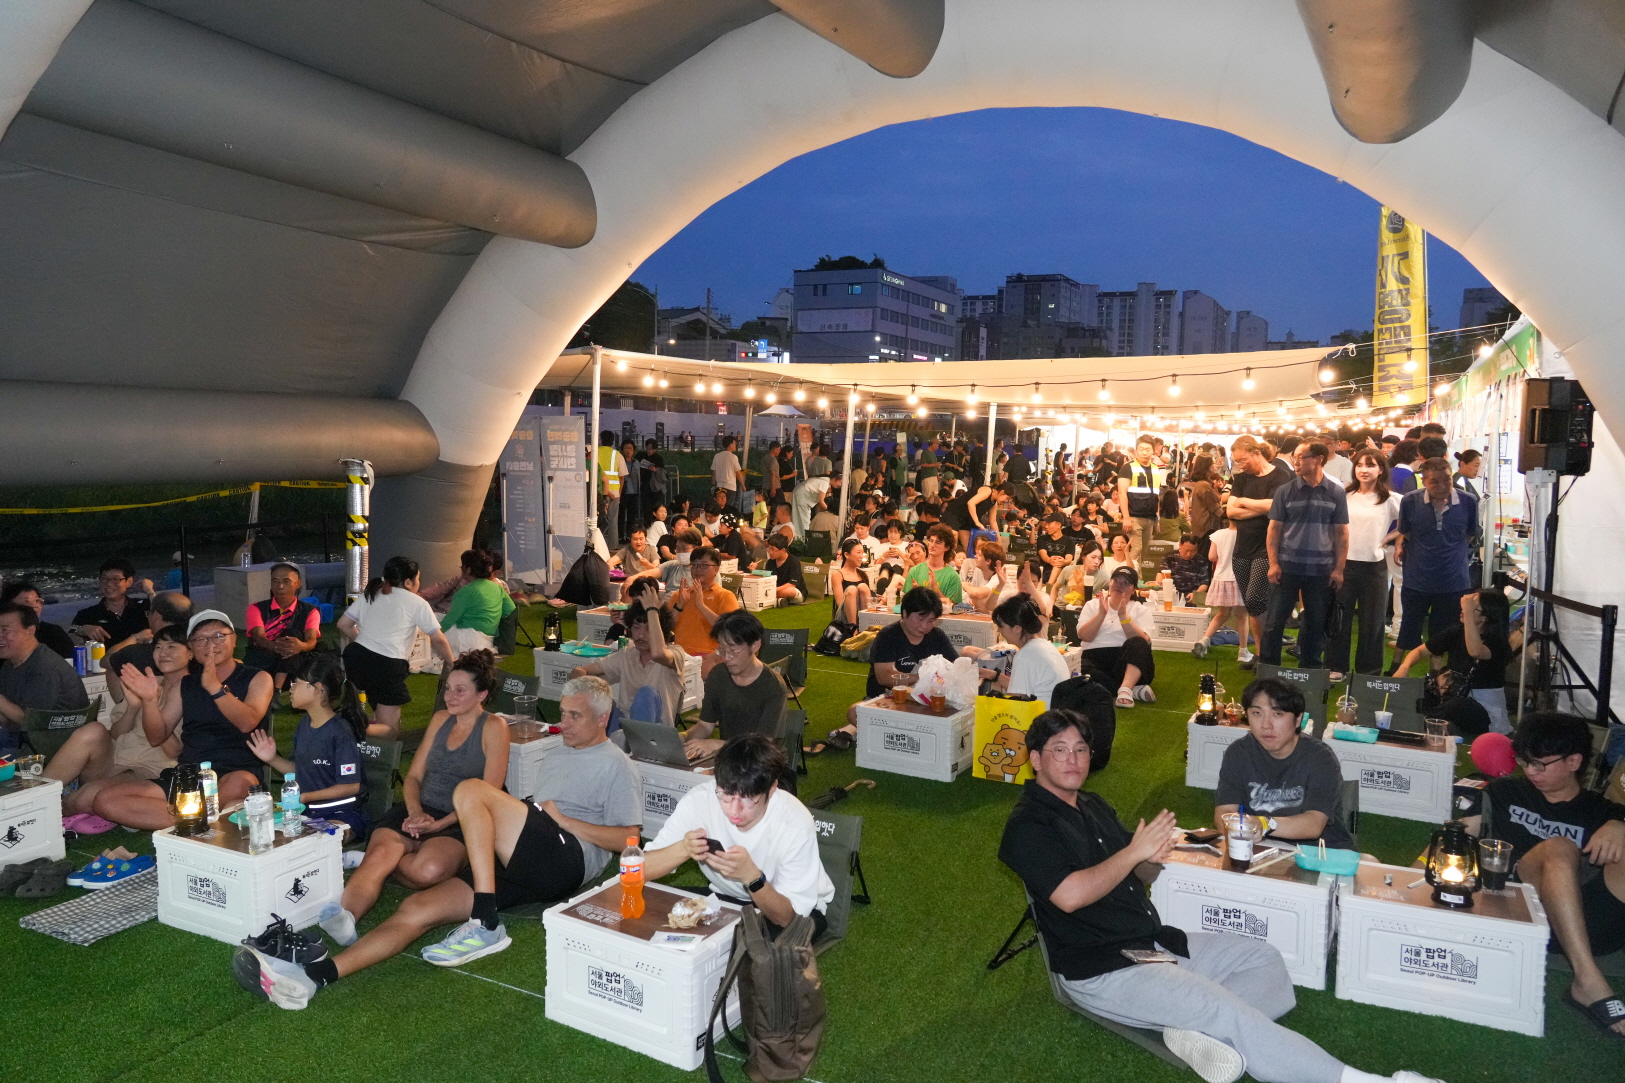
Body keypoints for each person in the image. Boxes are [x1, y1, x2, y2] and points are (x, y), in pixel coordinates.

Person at [1000, 709, 1442, 1083]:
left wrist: (1150, 857)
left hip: (1151, 942)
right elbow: (1070, 895)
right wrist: (1133, 851)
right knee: (1225, 1007)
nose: (1073, 759)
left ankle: (1200, 1031)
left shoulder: (1092, 805)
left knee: (1264, 959)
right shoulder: (1028, 825)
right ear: (1035, 759)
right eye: (1060, 750)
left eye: (1080, 749)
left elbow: (1140, 876)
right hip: (1103, 968)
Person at [240, 676, 642, 1004]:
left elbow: (629, 838)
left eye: (575, 716)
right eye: (563, 712)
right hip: (523, 860)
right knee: (416, 908)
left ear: (602, 719)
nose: (563, 722)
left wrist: (563, 820)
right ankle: (317, 975)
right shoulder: (557, 753)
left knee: (470, 789)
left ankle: (485, 919)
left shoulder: (618, 765)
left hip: (566, 860)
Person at [314, 649, 511, 945]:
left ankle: (380, 859)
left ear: (481, 694)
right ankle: (345, 917)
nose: (450, 696)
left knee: (426, 871)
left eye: (460, 690)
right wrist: (416, 811)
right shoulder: (441, 719)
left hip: (463, 819)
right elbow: (414, 776)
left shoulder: (494, 727)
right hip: (419, 809)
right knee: (381, 855)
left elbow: (489, 794)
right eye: (448, 688)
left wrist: (439, 824)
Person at [1475, 712, 1625, 1038]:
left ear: (1574, 761)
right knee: (1559, 847)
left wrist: (1620, 825)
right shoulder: (1505, 793)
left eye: (1540, 764)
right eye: (1524, 761)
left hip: (1585, 922)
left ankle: (1585, 970)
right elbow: (1458, 833)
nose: (1530, 771)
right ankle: (1587, 982)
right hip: (1520, 906)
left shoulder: (1601, 811)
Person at [92, 611, 273, 828]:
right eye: (200, 639)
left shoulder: (257, 678)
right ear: (192, 648)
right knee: (106, 800)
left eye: (218, 636)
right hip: (190, 774)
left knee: (241, 782)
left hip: (235, 771)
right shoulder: (186, 684)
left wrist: (215, 688)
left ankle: (193, 819)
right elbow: (157, 736)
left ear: (234, 640)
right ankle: (196, 821)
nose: (210, 644)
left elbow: (247, 722)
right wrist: (149, 700)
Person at [645, 734, 834, 938]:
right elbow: (638, 870)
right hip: (725, 898)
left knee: (747, 946)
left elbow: (787, 919)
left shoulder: (794, 822)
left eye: (747, 799)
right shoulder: (699, 800)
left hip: (791, 911)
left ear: (771, 789)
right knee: (653, 911)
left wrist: (752, 877)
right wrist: (683, 848)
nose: (734, 810)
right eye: (726, 795)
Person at [46, 624, 189, 820]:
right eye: (158, 646)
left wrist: (151, 703)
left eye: (172, 646)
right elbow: (115, 734)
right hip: (115, 758)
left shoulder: (193, 692)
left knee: (82, 800)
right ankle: (35, 794)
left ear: (191, 652)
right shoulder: (147, 681)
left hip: (147, 770)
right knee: (93, 730)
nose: (163, 652)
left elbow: (173, 751)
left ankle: (44, 810)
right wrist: (133, 708)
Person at [1215, 678, 1352, 850]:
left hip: (1319, 852)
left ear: (1298, 719)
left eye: (1277, 714)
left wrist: (1264, 824)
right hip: (1259, 848)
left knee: (1370, 861)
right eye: (1257, 713)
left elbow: (1314, 824)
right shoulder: (1239, 753)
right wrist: (1237, 830)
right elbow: (1224, 812)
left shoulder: (1320, 758)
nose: (1266, 725)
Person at [247, 652, 368, 838]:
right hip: (308, 813)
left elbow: (351, 786)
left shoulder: (339, 732)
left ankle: (343, 851)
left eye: (296, 683)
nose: (291, 689)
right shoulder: (305, 724)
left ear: (317, 689)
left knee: (320, 838)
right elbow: (301, 771)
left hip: (341, 813)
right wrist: (272, 758)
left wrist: (306, 797)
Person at [825, 586, 959, 751]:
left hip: (925, 700)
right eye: (920, 619)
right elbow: (885, 677)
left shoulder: (937, 636)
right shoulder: (888, 636)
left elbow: (956, 666)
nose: (925, 626)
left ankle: (863, 731)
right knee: (855, 712)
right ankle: (872, 729)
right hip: (889, 698)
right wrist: (924, 678)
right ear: (905, 613)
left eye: (931, 621)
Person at [337, 555, 455, 738]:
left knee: (380, 708)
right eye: (418, 578)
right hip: (386, 664)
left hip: (356, 657)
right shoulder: (417, 602)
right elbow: (438, 639)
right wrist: (452, 662)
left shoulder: (372, 593)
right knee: (391, 730)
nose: (419, 583)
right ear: (408, 582)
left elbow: (343, 624)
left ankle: (362, 730)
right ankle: (347, 728)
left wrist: (364, 643)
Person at [1261, 442, 1349, 669]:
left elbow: (1341, 532)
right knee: (1274, 622)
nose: (1295, 462)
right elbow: (1274, 529)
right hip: (1286, 567)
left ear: (1318, 459)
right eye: (1294, 457)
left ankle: (1310, 671)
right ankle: (1269, 669)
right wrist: (1273, 563)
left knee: (1316, 623)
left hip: (1321, 569)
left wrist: (1339, 569)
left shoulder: (1336, 492)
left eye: (1301, 457)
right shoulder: (1285, 491)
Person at [1392, 458, 1479, 673]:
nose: (1442, 486)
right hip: (1417, 577)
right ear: (1424, 481)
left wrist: (1450, 549)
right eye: (1434, 482)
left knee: (1443, 631)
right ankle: (1395, 670)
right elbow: (1406, 531)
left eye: (1447, 480)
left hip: (1453, 579)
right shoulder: (1410, 501)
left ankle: (1436, 676)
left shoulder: (1468, 501)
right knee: (1409, 625)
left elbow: (1470, 534)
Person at [1393, 589, 1513, 734]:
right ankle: (1438, 723)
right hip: (1450, 695)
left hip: (1483, 710)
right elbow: (1420, 651)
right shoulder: (1456, 632)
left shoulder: (1497, 643)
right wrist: (1404, 667)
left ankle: (1421, 722)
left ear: (1485, 617)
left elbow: (1475, 651)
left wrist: (1468, 613)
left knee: (1457, 706)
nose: (1463, 610)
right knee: (1418, 691)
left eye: (1472, 608)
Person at [1327, 449, 1401, 680]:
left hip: (1374, 568)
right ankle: (1336, 667)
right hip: (1343, 565)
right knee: (1339, 619)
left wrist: (1392, 538)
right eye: (1359, 465)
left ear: (1381, 469)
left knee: (1373, 623)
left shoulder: (1390, 499)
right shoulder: (1344, 496)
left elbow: (1412, 521)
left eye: (1370, 465)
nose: (1364, 470)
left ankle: (1368, 673)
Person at [570, 583, 689, 728]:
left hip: (655, 733)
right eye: (636, 627)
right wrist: (580, 687)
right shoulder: (627, 654)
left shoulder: (675, 653)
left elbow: (658, 654)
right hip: (622, 728)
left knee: (646, 694)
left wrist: (652, 610)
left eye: (648, 629)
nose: (641, 635)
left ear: (660, 631)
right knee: (602, 700)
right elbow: (581, 671)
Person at [682, 611, 787, 759]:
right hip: (730, 758)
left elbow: (762, 745)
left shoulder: (774, 686)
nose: (726, 657)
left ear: (755, 645)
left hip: (763, 762)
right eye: (721, 650)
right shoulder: (718, 675)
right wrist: (684, 736)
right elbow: (705, 725)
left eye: (733, 650)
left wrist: (716, 744)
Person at [1226, 435, 1291, 669]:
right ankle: (1263, 655)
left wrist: (1243, 501)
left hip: (1267, 547)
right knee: (1251, 604)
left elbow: (1276, 506)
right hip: (1243, 547)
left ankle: (1268, 654)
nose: (1240, 465)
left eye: (1243, 460)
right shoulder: (1241, 478)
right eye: (1237, 461)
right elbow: (1230, 512)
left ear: (1256, 453)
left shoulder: (1281, 476)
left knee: (1256, 598)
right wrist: (1262, 508)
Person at [0, 601, 92, 755]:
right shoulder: (10, 665)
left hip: (51, 747)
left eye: (5, 630)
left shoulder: (45, 667)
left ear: (30, 631)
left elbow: (30, 721)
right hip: (21, 737)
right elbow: (7, 717)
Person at [1075, 567, 1156, 709]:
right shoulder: (1092, 605)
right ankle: (1131, 689)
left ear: (1134, 589)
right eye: (1116, 580)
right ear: (1110, 583)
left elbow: (1144, 642)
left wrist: (1123, 616)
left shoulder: (1141, 610)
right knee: (1081, 671)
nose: (1119, 585)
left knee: (1138, 642)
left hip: (1127, 661)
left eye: (1126, 583)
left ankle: (1126, 688)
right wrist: (1101, 614)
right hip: (1094, 658)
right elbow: (1085, 636)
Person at [241, 563, 322, 690]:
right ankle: (277, 688)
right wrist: (277, 646)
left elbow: (311, 640)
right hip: (263, 659)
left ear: (298, 584)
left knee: (292, 636)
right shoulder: (256, 608)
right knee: (289, 640)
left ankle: (277, 688)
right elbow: (259, 637)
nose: (280, 586)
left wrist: (301, 646)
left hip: (293, 664)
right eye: (275, 581)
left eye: (286, 581)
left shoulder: (310, 611)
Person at [1192, 518, 1252, 662]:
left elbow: (1212, 556)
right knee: (1242, 616)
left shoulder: (1218, 534)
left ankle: (1204, 640)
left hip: (1221, 578)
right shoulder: (1246, 534)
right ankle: (1243, 652)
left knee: (1222, 613)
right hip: (1239, 578)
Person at [993, 596, 1069, 707]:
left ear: (1017, 629)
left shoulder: (1025, 655)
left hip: (1043, 715)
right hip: (1057, 712)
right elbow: (1022, 689)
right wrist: (996, 676)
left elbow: (1016, 703)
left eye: (1000, 626)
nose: (998, 630)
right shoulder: (1045, 645)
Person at [70, 557, 150, 650]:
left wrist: (149, 591)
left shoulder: (143, 607)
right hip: (104, 659)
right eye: (104, 578)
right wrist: (82, 629)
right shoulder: (87, 614)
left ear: (129, 581)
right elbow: (69, 637)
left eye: (115, 579)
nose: (109, 584)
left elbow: (164, 613)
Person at [1116, 435, 1166, 563]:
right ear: (1136, 450)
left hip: (1150, 517)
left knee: (1143, 554)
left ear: (1154, 451)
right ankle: (1127, 574)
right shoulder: (1128, 467)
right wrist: (1126, 517)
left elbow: (1156, 495)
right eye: (1141, 449)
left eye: (1148, 449)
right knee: (1135, 551)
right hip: (1134, 517)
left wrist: (1157, 518)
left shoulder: (1156, 468)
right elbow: (1122, 493)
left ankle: (1137, 575)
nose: (1144, 453)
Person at [0, 581, 74, 659]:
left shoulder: (53, 632)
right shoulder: (5, 636)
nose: (34, 605)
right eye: (26, 601)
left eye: (37, 601)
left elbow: (70, 660)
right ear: (9, 606)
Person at [901, 523, 963, 605]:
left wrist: (935, 588)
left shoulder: (953, 576)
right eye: (931, 541)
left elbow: (952, 606)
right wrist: (915, 594)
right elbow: (905, 603)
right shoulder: (915, 571)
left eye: (938, 542)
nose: (932, 545)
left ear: (947, 547)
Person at [829, 538, 873, 629]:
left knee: (863, 587)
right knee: (852, 589)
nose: (861, 556)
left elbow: (868, 601)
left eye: (862, 553)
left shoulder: (863, 575)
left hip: (862, 612)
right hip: (844, 615)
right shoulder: (837, 575)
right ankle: (853, 629)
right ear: (846, 555)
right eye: (858, 552)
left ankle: (865, 626)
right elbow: (840, 603)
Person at [597, 430, 627, 549]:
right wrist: (618, 494)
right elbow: (622, 477)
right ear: (613, 441)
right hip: (615, 492)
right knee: (613, 520)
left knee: (597, 519)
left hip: (599, 491)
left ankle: (597, 545)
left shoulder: (595, 452)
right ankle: (613, 546)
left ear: (601, 440)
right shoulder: (617, 455)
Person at [760, 532, 808, 605]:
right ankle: (780, 600)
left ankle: (774, 599)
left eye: (773, 550)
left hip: (794, 590)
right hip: (775, 589)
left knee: (789, 591)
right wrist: (753, 570)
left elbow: (792, 584)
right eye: (769, 549)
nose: (770, 552)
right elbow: (767, 579)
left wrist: (774, 589)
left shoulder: (793, 562)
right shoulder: (770, 562)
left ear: (783, 550)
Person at [1035, 513, 1077, 584]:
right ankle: (1050, 587)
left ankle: (1049, 587)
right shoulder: (1042, 539)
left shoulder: (1069, 541)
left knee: (1058, 565)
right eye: (1046, 524)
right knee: (1056, 565)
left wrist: (1063, 562)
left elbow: (1069, 558)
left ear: (1058, 525)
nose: (1046, 526)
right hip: (1045, 569)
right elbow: (1043, 554)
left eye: (1049, 524)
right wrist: (1049, 560)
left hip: (1062, 571)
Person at [712, 434, 745, 513]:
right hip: (730, 486)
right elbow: (738, 473)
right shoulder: (733, 457)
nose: (735, 445)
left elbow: (714, 472)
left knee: (718, 507)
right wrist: (743, 485)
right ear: (730, 444)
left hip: (719, 485)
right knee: (728, 507)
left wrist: (713, 483)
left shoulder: (717, 456)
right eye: (734, 443)